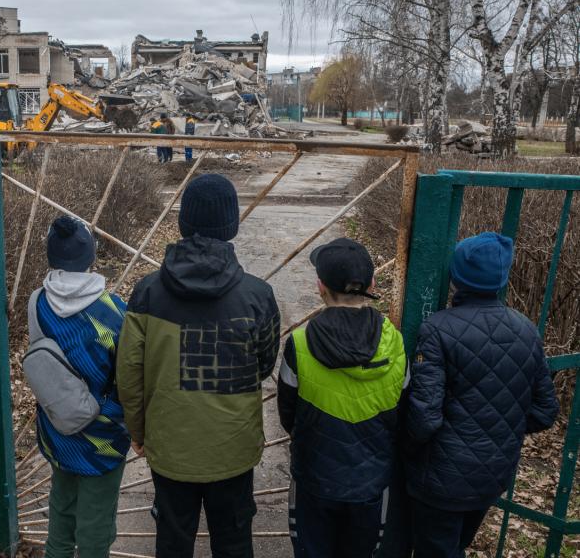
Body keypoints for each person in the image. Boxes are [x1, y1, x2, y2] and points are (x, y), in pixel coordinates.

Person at [117, 174, 281, 558]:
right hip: (234, 446)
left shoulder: (147, 292)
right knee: (235, 539)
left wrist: (138, 432)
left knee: (173, 540)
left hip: (170, 445)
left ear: (183, 222)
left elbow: (130, 375)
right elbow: (263, 363)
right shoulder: (258, 295)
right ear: (232, 225)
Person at [404, 232, 559, 558]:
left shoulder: (437, 329)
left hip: (441, 479)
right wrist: (499, 429)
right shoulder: (526, 329)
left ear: (456, 276)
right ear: (501, 279)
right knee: (456, 546)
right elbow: (545, 409)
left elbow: (424, 419)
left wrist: (405, 452)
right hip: (493, 474)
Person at [276, 237, 408, 558]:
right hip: (371, 482)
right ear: (372, 283)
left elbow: (287, 415)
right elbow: (403, 411)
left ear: (320, 286)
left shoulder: (300, 343)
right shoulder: (395, 342)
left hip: (315, 479)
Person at [31, 216, 130, 558]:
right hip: (104, 437)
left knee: (61, 514)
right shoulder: (114, 311)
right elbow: (127, 378)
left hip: (57, 429)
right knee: (96, 527)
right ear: (90, 257)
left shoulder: (37, 304)